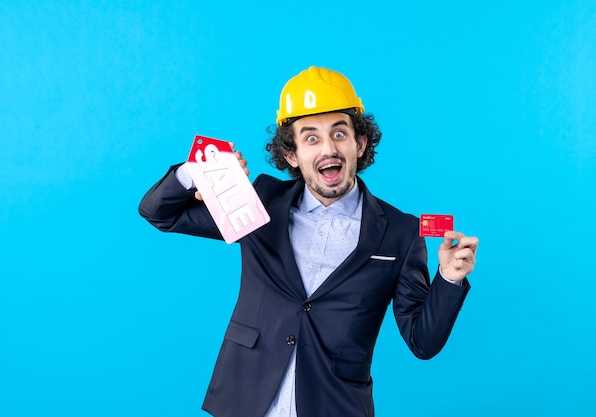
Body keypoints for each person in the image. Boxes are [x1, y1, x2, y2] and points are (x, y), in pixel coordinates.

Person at [139, 66, 479, 417]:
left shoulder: (399, 232)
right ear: (291, 154)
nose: (328, 149)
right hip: (245, 400)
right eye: (311, 138)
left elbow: (423, 342)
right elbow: (160, 213)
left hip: (335, 405)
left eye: (339, 134)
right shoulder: (257, 202)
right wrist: (195, 172)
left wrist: (449, 279)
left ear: (359, 144)